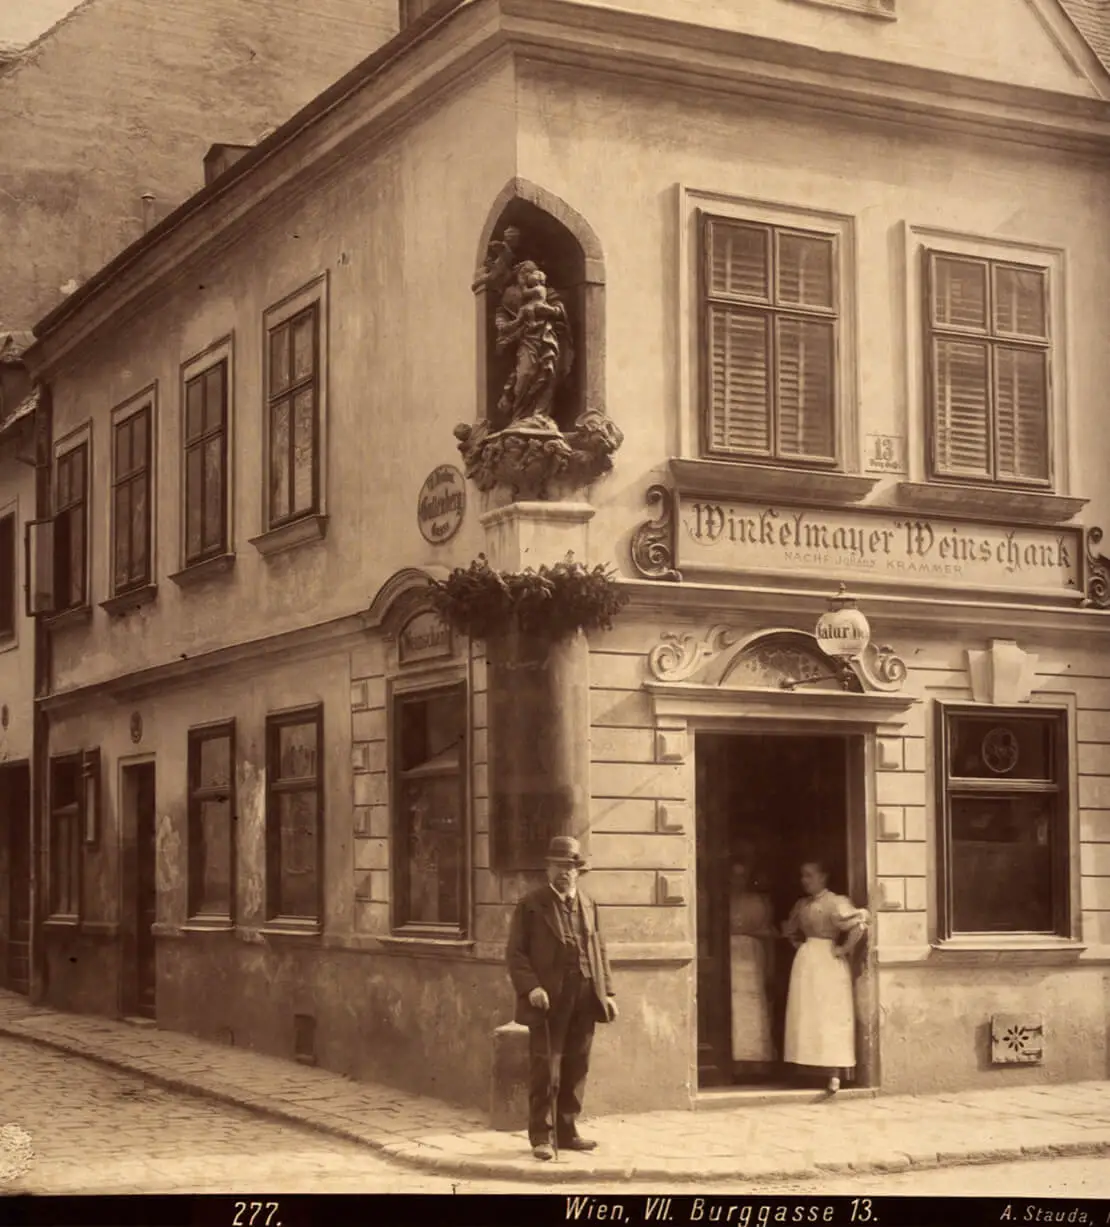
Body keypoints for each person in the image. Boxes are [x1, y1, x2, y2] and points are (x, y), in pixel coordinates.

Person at [505, 835, 618, 1161]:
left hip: (584, 994)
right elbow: (516, 954)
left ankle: (568, 1132)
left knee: (576, 1065)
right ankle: (542, 1136)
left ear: (579, 871)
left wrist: (607, 991)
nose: (564, 873)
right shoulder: (531, 905)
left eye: (570, 867)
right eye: (557, 866)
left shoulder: (589, 905)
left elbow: (600, 951)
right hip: (548, 999)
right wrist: (532, 988)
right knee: (546, 1067)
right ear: (547, 869)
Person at [782, 860, 868, 1094]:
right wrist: (801, 946)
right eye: (803, 876)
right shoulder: (802, 904)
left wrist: (843, 949)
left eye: (810, 875)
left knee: (829, 1014)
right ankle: (806, 1070)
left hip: (828, 961)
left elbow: (859, 925)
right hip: (807, 960)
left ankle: (834, 1073)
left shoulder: (836, 902)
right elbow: (789, 931)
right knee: (806, 1014)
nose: (805, 881)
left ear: (823, 877)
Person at [728, 859, 776, 1066]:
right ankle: (735, 1059)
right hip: (730, 955)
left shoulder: (758, 901)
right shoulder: (724, 900)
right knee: (734, 1005)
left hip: (752, 955)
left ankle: (756, 1060)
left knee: (753, 1005)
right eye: (735, 876)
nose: (738, 880)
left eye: (742, 876)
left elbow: (768, 932)